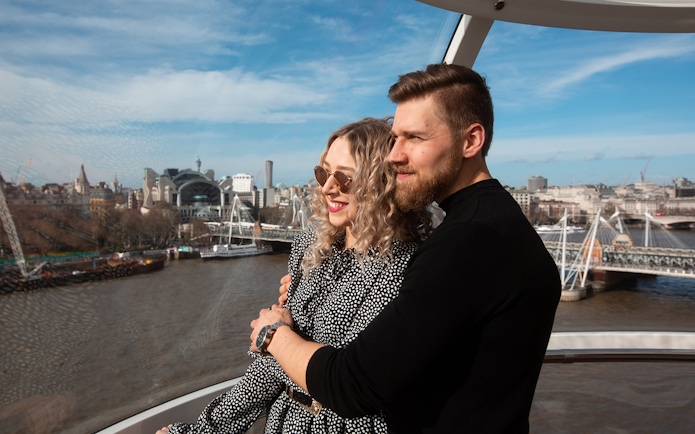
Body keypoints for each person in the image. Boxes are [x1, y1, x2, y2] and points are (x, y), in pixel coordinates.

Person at [250, 63, 562, 433]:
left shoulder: (470, 242)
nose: (395, 155)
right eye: (395, 138)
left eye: (414, 138)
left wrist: (275, 334)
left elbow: (352, 385)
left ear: (470, 141)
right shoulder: (491, 223)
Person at [157, 117, 432, 434]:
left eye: (343, 178)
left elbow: (348, 380)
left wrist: (276, 337)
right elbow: (271, 367)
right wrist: (203, 430)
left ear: (381, 183)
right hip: (285, 422)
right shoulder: (309, 246)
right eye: (323, 173)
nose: (327, 187)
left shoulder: (404, 268)